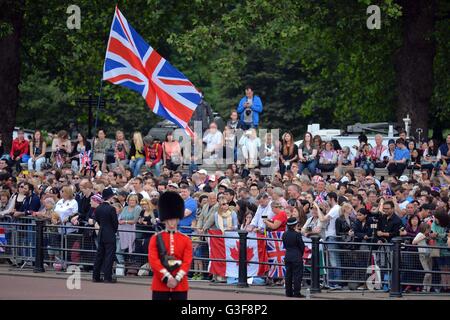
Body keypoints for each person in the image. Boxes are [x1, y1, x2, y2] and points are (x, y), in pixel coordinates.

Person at [148, 191, 193, 300]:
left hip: (180, 284)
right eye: (169, 220)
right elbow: (153, 260)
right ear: (164, 220)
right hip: (160, 283)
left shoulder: (186, 239)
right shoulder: (155, 238)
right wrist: (167, 277)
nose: (172, 223)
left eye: (174, 219)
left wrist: (177, 278)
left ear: (178, 219)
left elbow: (187, 262)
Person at [92, 188, 118, 283]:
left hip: (101, 233)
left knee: (99, 256)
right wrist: (113, 230)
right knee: (109, 256)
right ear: (110, 197)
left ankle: (95, 276)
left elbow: (97, 220)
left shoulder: (98, 208)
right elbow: (115, 223)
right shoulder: (111, 209)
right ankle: (107, 277)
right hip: (110, 234)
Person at [282, 217, 305, 298]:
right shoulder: (297, 234)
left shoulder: (284, 234)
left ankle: (288, 292)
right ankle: (297, 292)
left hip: (287, 256)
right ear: (295, 225)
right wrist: (300, 254)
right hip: (296, 256)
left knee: (288, 275)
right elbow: (302, 246)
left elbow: (284, 245)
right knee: (297, 275)